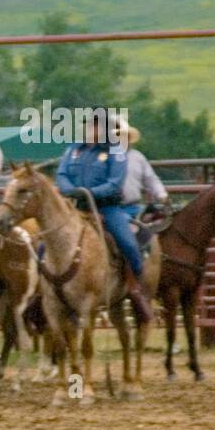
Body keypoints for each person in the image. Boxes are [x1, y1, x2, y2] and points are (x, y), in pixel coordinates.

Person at [56, 108, 153, 322]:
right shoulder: (74, 149)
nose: (91, 128)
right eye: (89, 124)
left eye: (96, 125)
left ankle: (136, 288)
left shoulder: (116, 151)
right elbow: (61, 174)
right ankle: (49, 291)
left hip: (108, 208)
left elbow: (115, 183)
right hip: (77, 208)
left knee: (127, 243)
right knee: (46, 246)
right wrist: (71, 190)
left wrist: (90, 192)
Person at [115, 121, 170, 213]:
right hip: (114, 208)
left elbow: (151, 179)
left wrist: (162, 195)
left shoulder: (138, 157)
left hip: (134, 206)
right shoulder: (106, 157)